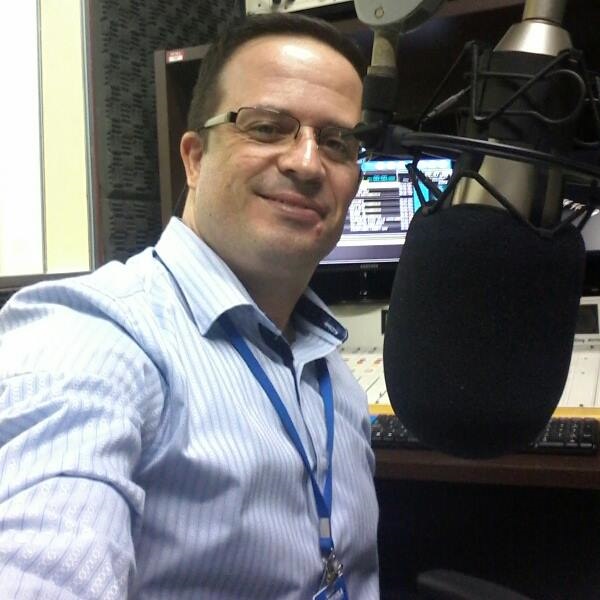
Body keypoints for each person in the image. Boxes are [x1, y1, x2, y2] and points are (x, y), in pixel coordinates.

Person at [0, 12, 379, 599]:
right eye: (267, 127)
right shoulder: (93, 334)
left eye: (336, 142)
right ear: (195, 158)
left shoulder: (329, 370)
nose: (307, 163)